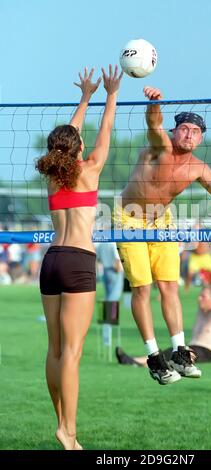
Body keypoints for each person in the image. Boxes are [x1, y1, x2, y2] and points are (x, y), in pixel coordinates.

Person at [113, 86, 211, 385]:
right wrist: (154, 104)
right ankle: (154, 358)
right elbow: (154, 125)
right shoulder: (160, 147)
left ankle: (181, 352)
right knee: (143, 289)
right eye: (184, 129)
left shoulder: (198, 167)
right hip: (129, 218)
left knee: (169, 286)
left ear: (201, 137)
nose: (189, 135)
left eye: (195, 131)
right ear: (175, 131)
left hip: (162, 223)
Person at [35, 65, 123, 450]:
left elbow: (66, 141)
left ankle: (62, 423)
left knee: (55, 350)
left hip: (51, 260)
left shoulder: (54, 176)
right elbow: (103, 132)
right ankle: (68, 433)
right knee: (72, 353)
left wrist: (83, 99)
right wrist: (110, 95)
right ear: (78, 150)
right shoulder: (90, 170)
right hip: (78, 261)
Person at [115, 286, 211, 367]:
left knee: (171, 354)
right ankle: (137, 361)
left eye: (203, 296)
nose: (199, 298)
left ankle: (136, 362)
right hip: (193, 347)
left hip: (207, 352)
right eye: (200, 295)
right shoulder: (201, 312)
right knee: (172, 353)